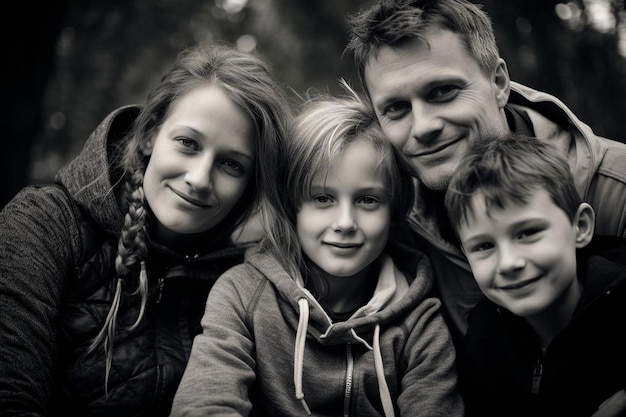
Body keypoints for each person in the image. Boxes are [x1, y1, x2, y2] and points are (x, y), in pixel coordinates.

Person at [0, 42, 291, 416]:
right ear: (151, 132)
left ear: (250, 184)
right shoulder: (46, 224)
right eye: (188, 143)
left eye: (231, 164)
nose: (199, 179)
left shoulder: (246, 286)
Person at [170, 83, 464, 417]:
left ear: (394, 211)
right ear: (292, 206)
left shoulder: (420, 322)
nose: (344, 222)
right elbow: (206, 402)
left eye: (367, 200)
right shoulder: (240, 294)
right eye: (322, 199)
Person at [344, 0, 626, 344]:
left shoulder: (617, 187)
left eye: (443, 91)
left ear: (499, 83)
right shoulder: (390, 223)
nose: (424, 127)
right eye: (397, 108)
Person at [443, 134, 626, 417]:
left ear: (580, 226)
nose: (508, 263)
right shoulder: (483, 341)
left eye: (527, 233)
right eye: (484, 246)